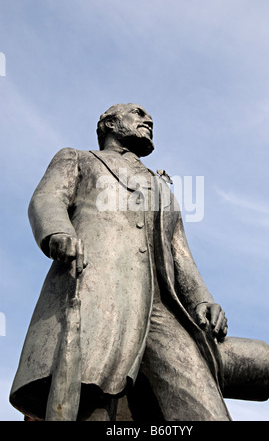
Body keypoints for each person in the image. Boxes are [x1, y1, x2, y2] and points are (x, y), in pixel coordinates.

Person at [10, 103, 231, 421]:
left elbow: (178, 250)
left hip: (160, 309)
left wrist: (202, 299)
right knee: (92, 402)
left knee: (203, 404)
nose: (148, 119)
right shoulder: (79, 158)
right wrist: (58, 232)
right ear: (109, 124)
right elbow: (47, 198)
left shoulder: (161, 187)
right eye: (138, 113)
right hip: (97, 292)